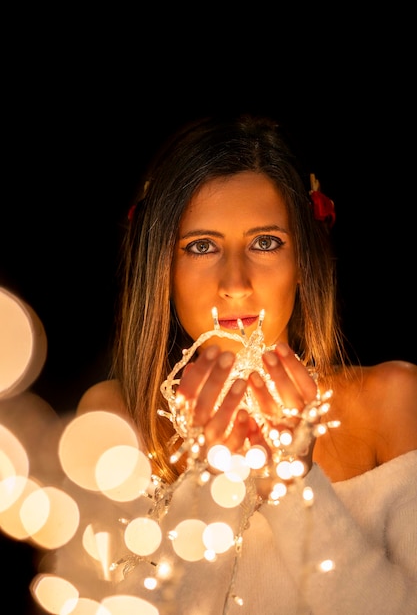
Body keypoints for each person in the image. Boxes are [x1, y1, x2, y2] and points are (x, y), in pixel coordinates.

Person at [71, 113, 417, 614]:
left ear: (304, 262)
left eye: (265, 243)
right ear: (161, 267)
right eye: (202, 246)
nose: (235, 282)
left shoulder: (395, 402)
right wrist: (212, 484)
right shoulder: (116, 424)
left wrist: (293, 487)